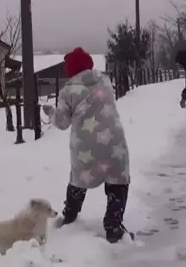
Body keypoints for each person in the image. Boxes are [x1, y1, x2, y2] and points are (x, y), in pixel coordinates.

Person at [42, 47, 132, 243]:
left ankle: (70, 214)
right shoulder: (105, 80)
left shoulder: (67, 91)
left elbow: (63, 123)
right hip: (114, 141)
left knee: (78, 179)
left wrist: (50, 112)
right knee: (118, 182)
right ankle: (113, 225)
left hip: (86, 145)